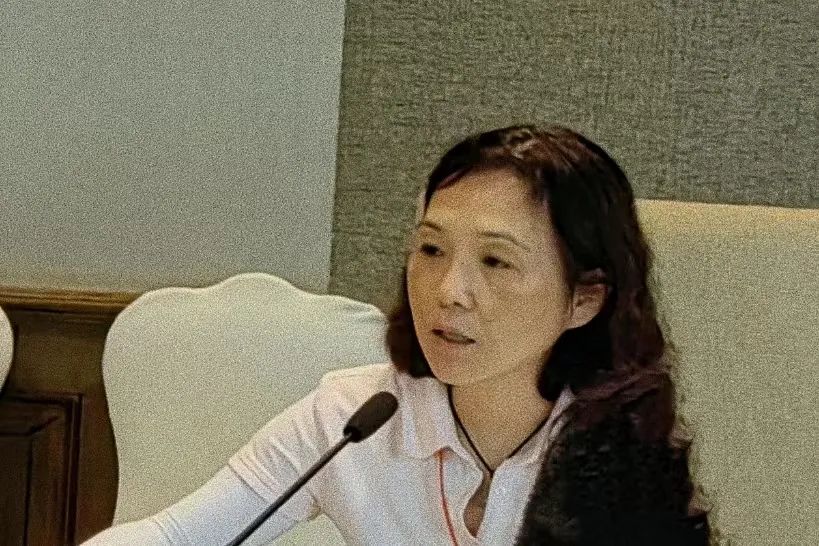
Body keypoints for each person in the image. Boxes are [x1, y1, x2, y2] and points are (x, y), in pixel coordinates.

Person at [83, 125, 715, 545]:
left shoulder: (621, 449)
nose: (449, 290)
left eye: (495, 262)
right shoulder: (355, 417)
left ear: (584, 299)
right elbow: (178, 536)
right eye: (431, 250)